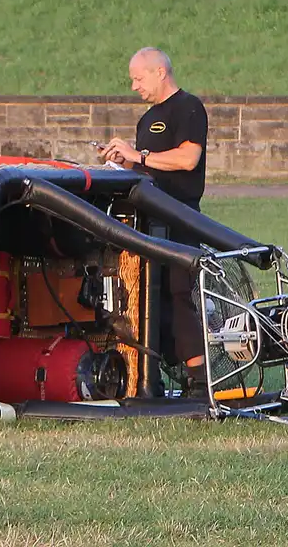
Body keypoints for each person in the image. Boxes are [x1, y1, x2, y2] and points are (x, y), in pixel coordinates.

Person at [100, 47, 210, 398]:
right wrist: (123, 162)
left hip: (181, 217)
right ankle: (150, 376)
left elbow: (188, 159)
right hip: (149, 219)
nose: (134, 86)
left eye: (138, 78)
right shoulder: (147, 119)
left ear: (160, 72)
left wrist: (139, 155)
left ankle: (200, 377)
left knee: (179, 293)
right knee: (147, 295)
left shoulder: (189, 108)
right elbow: (147, 167)